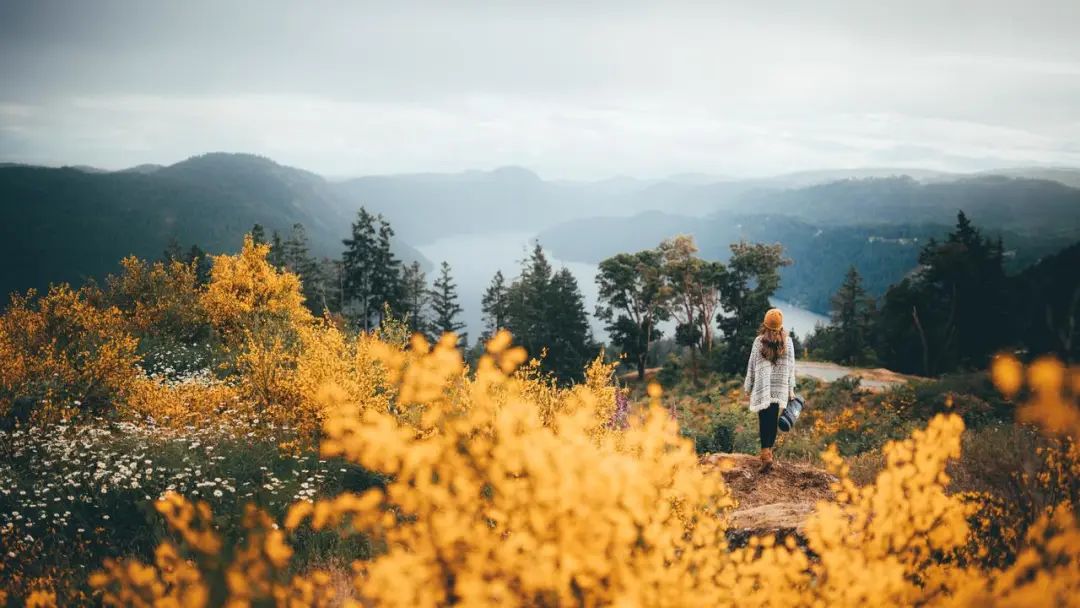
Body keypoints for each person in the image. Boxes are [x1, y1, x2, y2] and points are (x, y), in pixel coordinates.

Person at [743, 308, 796, 473]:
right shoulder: (788, 342)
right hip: (778, 389)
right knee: (772, 420)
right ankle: (768, 453)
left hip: (762, 388)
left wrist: (748, 386)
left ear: (765, 325)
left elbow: (751, 366)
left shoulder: (759, 341)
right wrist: (791, 389)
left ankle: (765, 453)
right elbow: (791, 367)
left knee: (763, 420)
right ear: (780, 326)